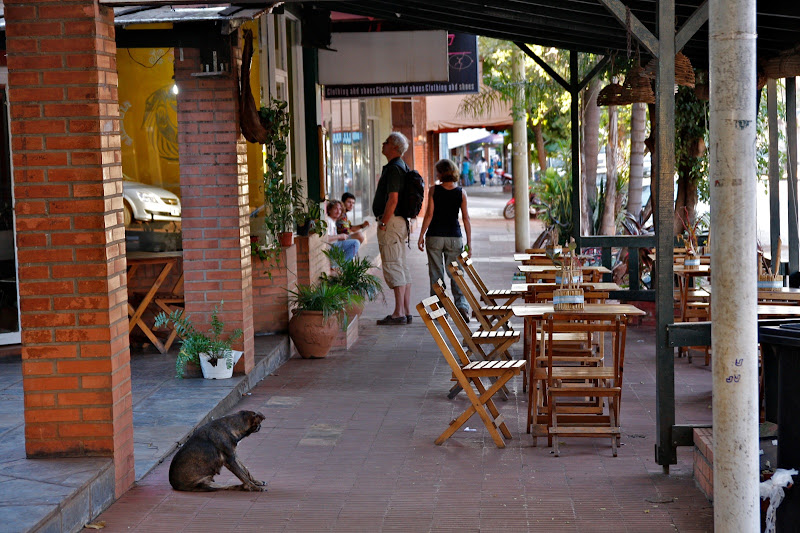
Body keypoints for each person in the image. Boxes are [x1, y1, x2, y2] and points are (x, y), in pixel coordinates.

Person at [417, 158, 472, 322]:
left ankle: (440, 309)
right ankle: (462, 306)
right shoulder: (461, 192)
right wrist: (469, 242)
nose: (436, 174)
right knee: (456, 273)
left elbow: (429, 215)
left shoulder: (434, 190)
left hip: (434, 236)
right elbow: (466, 218)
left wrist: (421, 236)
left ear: (441, 173)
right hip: (454, 237)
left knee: (436, 274)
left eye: (437, 171)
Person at [372, 132, 412, 325]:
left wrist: (384, 223)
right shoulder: (400, 166)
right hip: (399, 222)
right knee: (401, 264)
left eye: (386, 142)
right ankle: (405, 310)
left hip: (392, 222)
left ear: (394, 147)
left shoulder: (395, 168)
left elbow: (393, 199)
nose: (383, 143)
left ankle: (398, 313)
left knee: (394, 264)